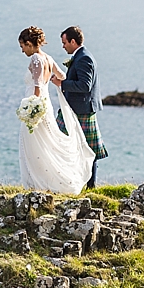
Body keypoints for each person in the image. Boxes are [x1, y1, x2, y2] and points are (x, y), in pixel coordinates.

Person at [17, 26, 95, 194]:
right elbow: (62, 77)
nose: (22, 50)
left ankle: (38, 184)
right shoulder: (48, 58)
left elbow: (37, 85)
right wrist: (52, 81)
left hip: (36, 108)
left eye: (23, 46)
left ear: (30, 43)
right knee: (47, 144)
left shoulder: (36, 59)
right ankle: (47, 181)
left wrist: (33, 108)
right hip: (46, 108)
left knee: (34, 146)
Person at [51, 26, 108, 189]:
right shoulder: (81, 56)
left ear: (73, 41)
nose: (63, 46)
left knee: (89, 149)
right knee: (70, 144)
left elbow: (85, 85)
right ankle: (78, 182)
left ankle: (91, 186)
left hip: (81, 109)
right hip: (76, 108)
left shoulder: (84, 58)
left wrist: (62, 84)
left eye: (64, 42)